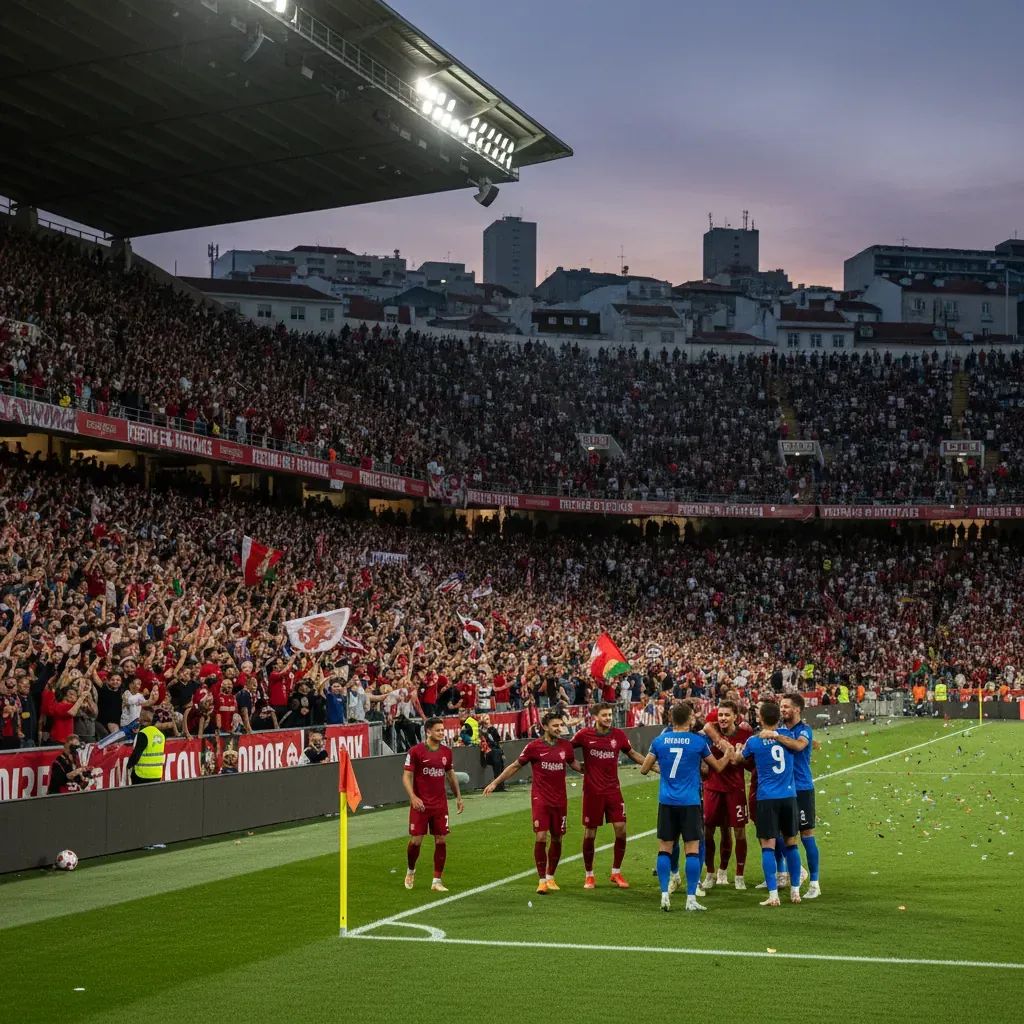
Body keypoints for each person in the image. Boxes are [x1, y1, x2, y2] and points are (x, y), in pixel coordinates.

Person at [641, 701, 731, 911]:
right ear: (690, 718)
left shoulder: (660, 740)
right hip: (690, 802)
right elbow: (715, 767)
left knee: (664, 849)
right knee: (692, 849)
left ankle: (664, 894)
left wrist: (664, 771)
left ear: (672, 719)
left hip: (667, 802)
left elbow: (645, 768)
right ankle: (691, 898)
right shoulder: (697, 742)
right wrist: (727, 754)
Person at [483, 711, 582, 894]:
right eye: (555, 725)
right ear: (544, 727)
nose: (559, 729)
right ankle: (542, 880)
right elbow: (515, 766)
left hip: (560, 799)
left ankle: (551, 877)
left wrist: (598, 766)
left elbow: (575, 765)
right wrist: (495, 782)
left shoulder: (565, 746)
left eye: (561, 725)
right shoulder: (534, 747)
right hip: (541, 798)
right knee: (541, 837)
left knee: (558, 837)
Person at [572, 702, 648, 889]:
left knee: (621, 829)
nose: (608, 718)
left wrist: (652, 765)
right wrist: (578, 767)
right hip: (592, 792)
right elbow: (565, 750)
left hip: (613, 790)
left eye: (610, 715)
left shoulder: (618, 735)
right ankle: (589, 874)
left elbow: (633, 754)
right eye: (604, 715)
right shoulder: (584, 735)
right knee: (590, 833)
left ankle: (616, 872)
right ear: (595, 717)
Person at [741, 700, 803, 907]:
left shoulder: (754, 741)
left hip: (767, 798)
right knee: (791, 844)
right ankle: (795, 891)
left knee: (768, 846)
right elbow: (798, 747)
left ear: (760, 718)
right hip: (788, 796)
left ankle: (774, 895)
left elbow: (739, 760)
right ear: (778, 718)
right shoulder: (790, 737)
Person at [403, 716, 464, 892]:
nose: (441, 733)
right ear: (428, 731)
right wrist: (413, 797)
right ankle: (410, 870)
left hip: (439, 805)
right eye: (438, 730)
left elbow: (451, 775)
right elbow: (406, 776)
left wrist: (458, 797)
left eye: (442, 730)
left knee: (441, 840)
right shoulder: (415, 751)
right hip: (420, 805)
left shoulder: (446, 752)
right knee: (415, 842)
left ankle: (437, 881)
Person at [700, 698, 753, 890]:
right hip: (712, 788)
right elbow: (705, 731)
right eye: (720, 714)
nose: (722, 718)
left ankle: (738, 875)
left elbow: (750, 763)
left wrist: (739, 759)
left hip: (735, 788)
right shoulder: (709, 730)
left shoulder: (746, 733)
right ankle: (711, 872)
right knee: (708, 831)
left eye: (726, 715)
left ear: (735, 717)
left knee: (738, 831)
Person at [773, 693, 820, 899]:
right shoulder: (781, 730)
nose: (782, 710)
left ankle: (815, 883)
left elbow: (799, 745)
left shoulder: (804, 730)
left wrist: (775, 736)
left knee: (806, 835)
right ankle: (797, 871)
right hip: (784, 790)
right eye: (781, 707)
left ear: (797, 710)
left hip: (801, 789)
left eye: (786, 707)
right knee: (781, 836)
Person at [124, 707, 166, 785]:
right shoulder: (161, 734)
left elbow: (137, 754)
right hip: (157, 774)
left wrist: (129, 765)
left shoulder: (143, 733)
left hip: (142, 775)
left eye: (140, 715)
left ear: (143, 719)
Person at [478, 714, 506, 790]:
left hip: (495, 752)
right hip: (486, 754)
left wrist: (502, 753)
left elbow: (498, 742)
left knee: (498, 757)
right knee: (496, 755)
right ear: (482, 721)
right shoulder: (480, 730)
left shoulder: (493, 729)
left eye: (488, 719)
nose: (487, 721)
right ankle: (497, 784)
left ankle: (500, 785)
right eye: (486, 719)